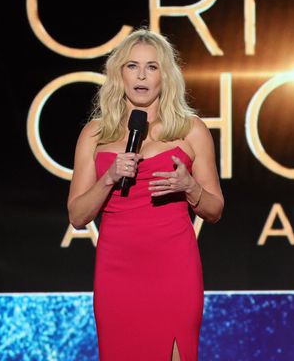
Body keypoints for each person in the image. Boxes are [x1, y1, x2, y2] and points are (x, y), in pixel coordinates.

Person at [67, 28, 224, 361]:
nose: (141, 75)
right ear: (118, 74)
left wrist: (190, 187)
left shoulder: (190, 130)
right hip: (117, 271)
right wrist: (108, 178)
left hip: (174, 268)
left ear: (165, 77)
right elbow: (78, 216)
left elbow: (215, 209)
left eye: (152, 67)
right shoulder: (95, 134)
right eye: (132, 66)